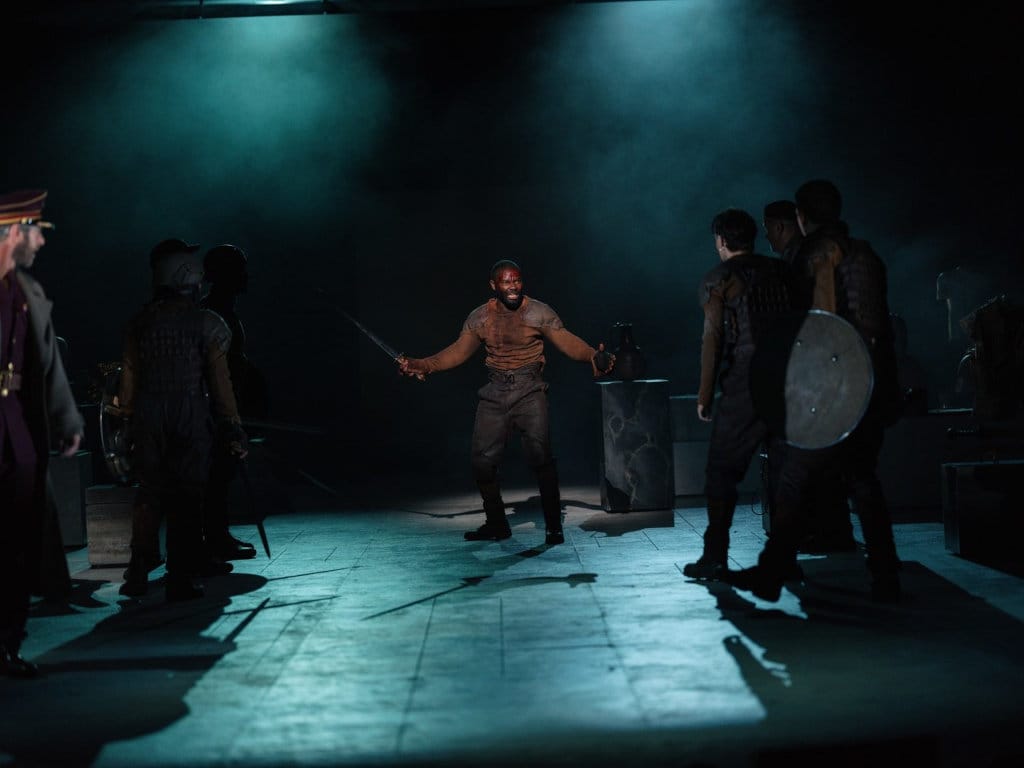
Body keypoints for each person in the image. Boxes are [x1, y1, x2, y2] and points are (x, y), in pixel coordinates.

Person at [724, 179, 903, 603]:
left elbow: (799, 328)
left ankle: (776, 572)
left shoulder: (804, 259)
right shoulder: (866, 254)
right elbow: (877, 328)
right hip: (866, 385)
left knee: (795, 479)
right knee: (860, 480)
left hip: (826, 389)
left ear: (801, 217)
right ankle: (883, 575)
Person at [398, 260, 614, 545]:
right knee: (481, 462)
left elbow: (566, 341)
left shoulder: (538, 311)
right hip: (495, 392)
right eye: (506, 282)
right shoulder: (480, 318)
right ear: (494, 285)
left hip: (530, 390)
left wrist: (591, 356)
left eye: (517, 281)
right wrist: (421, 364)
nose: (513, 287)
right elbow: (457, 352)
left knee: (540, 456)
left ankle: (553, 526)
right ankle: (497, 523)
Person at [116, 238, 248, 601]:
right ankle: (180, 575)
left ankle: (138, 569)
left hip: (147, 414)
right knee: (187, 496)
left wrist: (126, 419)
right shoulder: (207, 324)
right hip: (188, 415)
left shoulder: (139, 323)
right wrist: (231, 423)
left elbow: (128, 377)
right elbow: (221, 385)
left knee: (150, 493)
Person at [683, 208, 796, 580]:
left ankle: (715, 556)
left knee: (721, 472)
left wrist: (705, 393)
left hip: (745, 384)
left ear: (721, 240)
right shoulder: (782, 271)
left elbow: (712, 339)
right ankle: (785, 558)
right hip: (788, 381)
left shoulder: (719, 278)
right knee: (784, 473)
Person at [0, 189, 84, 678]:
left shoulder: (28, 293)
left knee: (15, 543)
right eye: (36, 230)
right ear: (13, 231)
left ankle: (8, 643)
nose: (40, 242)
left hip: (18, 434)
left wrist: (66, 417)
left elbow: (46, 364)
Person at [762, 199, 855, 553]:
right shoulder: (805, 258)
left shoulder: (802, 260)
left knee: (811, 457)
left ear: (785, 225)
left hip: (812, 369)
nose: (767, 235)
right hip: (818, 366)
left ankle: (823, 530)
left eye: (770, 227)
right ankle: (827, 529)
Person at [199, 244, 264, 561]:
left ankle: (216, 534)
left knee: (222, 472)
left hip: (227, 401)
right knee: (215, 472)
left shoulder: (224, 308)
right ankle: (214, 537)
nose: (245, 276)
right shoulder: (212, 311)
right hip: (214, 407)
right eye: (239, 269)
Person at [762, 200, 804, 267]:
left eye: (768, 229)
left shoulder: (790, 260)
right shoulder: (809, 249)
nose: (766, 236)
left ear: (778, 228)